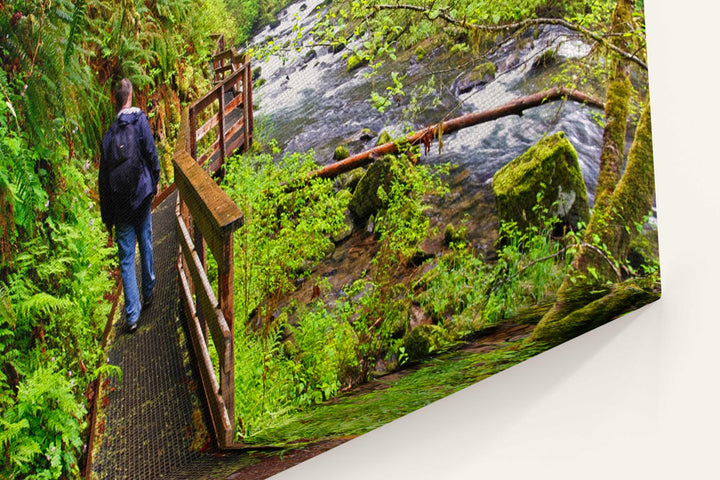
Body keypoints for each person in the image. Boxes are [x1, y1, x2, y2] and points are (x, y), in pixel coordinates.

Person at [99, 78, 160, 333]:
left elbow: (103, 178)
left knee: (126, 258)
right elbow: (151, 152)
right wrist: (154, 181)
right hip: (141, 195)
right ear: (130, 96)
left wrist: (107, 218)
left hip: (120, 205)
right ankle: (148, 292)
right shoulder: (139, 121)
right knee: (145, 241)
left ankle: (132, 316)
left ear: (116, 100)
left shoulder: (110, 134)